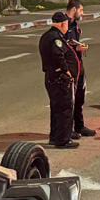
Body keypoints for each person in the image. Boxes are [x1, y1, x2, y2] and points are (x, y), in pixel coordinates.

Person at [38, 10, 79, 149]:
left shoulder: (47, 36)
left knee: (56, 108)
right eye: (66, 23)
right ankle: (63, 140)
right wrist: (67, 72)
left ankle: (55, 137)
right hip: (60, 79)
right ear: (62, 24)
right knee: (64, 109)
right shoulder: (56, 38)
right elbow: (58, 56)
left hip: (52, 77)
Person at [64, 0, 95, 137]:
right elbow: (63, 45)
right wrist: (77, 48)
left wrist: (79, 47)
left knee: (80, 97)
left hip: (79, 65)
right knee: (70, 99)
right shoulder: (63, 24)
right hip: (69, 67)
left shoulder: (75, 25)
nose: (82, 13)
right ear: (74, 9)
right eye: (81, 10)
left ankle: (79, 126)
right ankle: (68, 129)